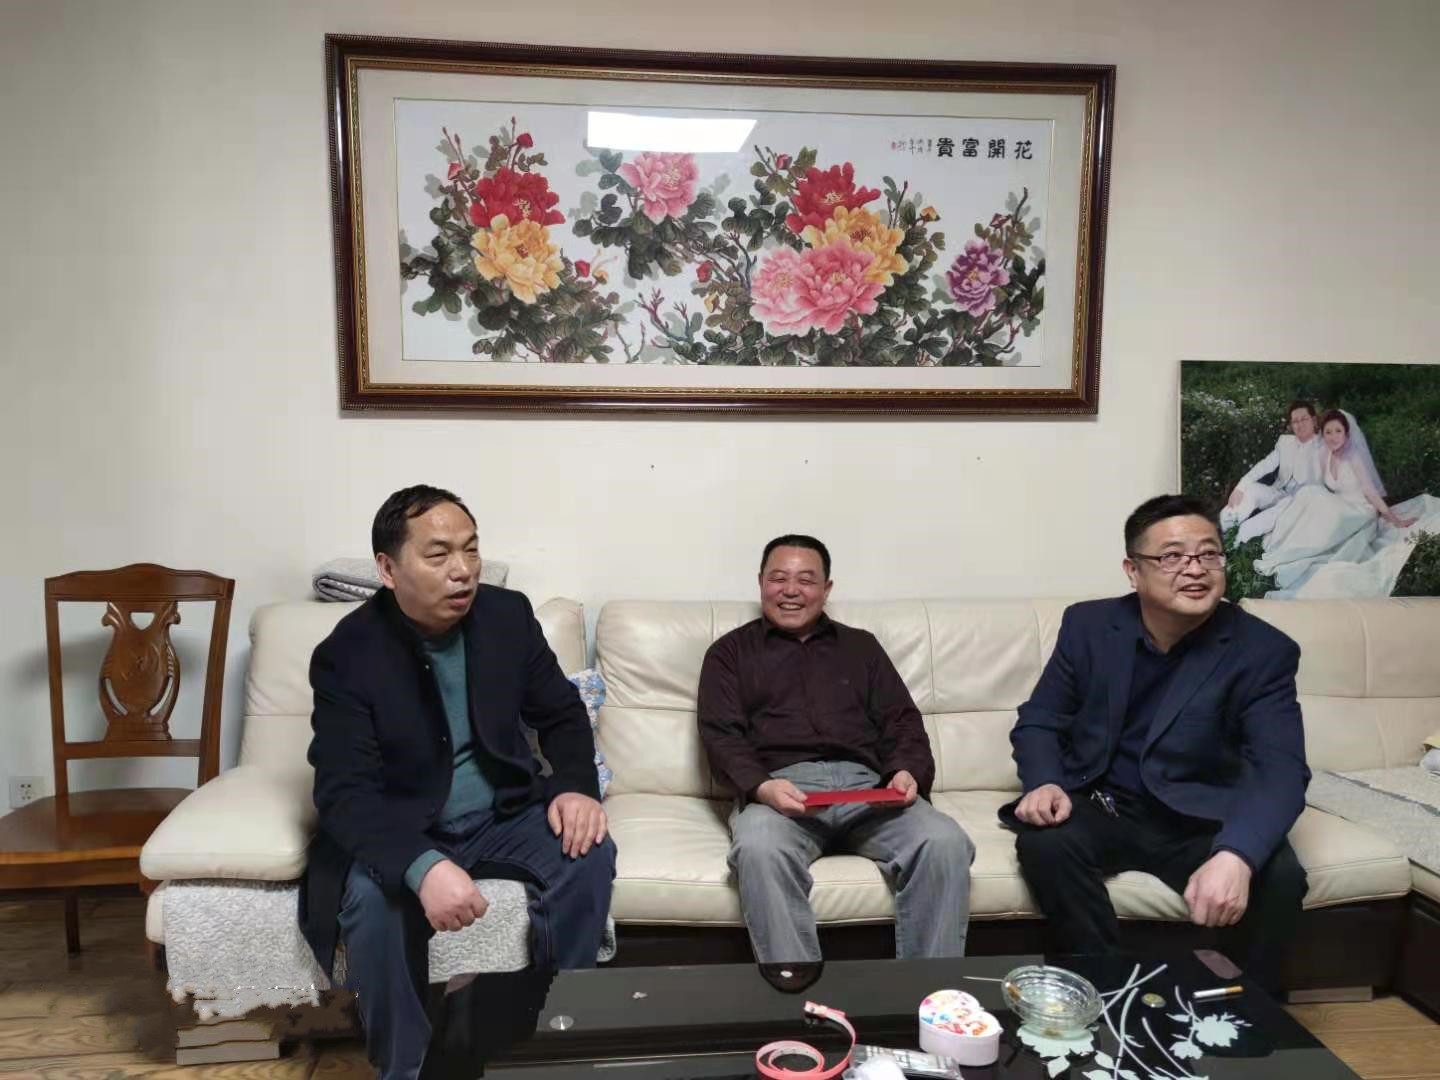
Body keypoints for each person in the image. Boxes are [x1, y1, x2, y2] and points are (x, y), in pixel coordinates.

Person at [302, 485, 615, 1080]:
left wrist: (576, 785)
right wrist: (422, 867)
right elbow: (343, 793)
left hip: (503, 814)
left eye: (471, 550)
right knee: (371, 905)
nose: (463, 570)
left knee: (587, 852)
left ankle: (554, 1041)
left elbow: (561, 713)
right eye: (439, 554)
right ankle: (405, 1068)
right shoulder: (346, 654)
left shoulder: (507, 616)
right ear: (388, 570)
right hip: (403, 825)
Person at [1004, 494, 1310, 992]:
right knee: (1046, 845)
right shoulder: (1089, 626)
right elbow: (1040, 720)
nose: (1195, 569)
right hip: (1105, 805)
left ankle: (1248, 1015)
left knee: (1279, 876)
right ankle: (1106, 991)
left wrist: (1237, 855)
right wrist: (1044, 782)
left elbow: (1281, 769)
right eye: (1172, 556)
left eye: (1208, 554)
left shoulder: (1263, 651)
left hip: (1201, 820)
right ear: (1133, 571)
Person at [697, 534, 974, 964]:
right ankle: (798, 995)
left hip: (869, 792)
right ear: (760, 583)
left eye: (806, 580)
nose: (791, 590)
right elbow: (721, 736)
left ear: (826, 589)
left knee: (944, 840)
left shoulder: (861, 647)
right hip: (782, 794)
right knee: (759, 848)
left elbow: (901, 720)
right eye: (778, 578)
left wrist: (906, 772)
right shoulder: (728, 654)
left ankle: (927, 995)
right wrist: (763, 788)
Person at [1254, 410, 1418, 591]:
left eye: (1338, 431)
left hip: (1360, 511)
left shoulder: (1354, 457)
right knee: (1308, 492)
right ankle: (1287, 548)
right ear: (1323, 435)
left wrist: (1395, 520)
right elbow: (1317, 483)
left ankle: (1300, 552)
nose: (1333, 437)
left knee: (1328, 507)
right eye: (1328, 432)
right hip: (1340, 504)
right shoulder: (1325, 454)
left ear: (1346, 434)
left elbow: (1370, 492)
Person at [1220, 399, 1325, 544]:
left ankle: (1234, 544)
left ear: (1313, 420)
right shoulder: (1285, 442)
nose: (1299, 424)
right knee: (1250, 489)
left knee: (1248, 527)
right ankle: (1220, 530)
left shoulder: (1325, 445)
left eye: (1304, 419)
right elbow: (1264, 466)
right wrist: (1240, 487)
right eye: (1295, 421)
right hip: (1279, 493)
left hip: (1300, 502)